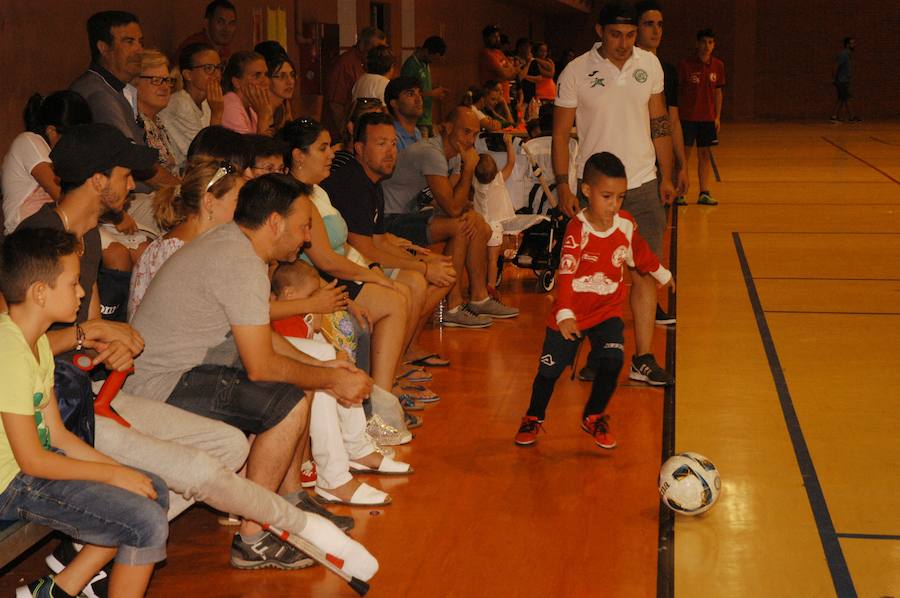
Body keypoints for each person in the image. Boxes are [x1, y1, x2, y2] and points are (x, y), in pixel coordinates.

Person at [0, 228, 169, 598]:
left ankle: (58, 589)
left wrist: (121, 472)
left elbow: (58, 436)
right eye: (74, 282)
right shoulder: (9, 352)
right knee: (143, 520)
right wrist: (111, 474)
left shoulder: (35, 345)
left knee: (152, 489)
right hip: (10, 485)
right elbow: (32, 460)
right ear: (40, 293)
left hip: (31, 471)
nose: (81, 292)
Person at [514, 152, 674, 448]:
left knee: (613, 361)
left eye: (621, 197)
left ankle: (593, 415)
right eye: (607, 196)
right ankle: (533, 417)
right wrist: (563, 314)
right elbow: (566, 273)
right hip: (571, 312)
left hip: (607, 311)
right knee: (549, 373)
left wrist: (661, 272)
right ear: (586, 191)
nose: (614, 206)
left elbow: (639, 251)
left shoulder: (625, 223)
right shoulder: (577, 230)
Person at [553, 1, 676, 386]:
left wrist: (667, 176)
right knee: (596, 277)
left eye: (630, 35)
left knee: (644, 273)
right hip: (596, 192)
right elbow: (560, 133)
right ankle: (601, 353)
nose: (623, 43)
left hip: (642, 183)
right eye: (615, 35)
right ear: (599, 32)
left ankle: (642, 357)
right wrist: (561, 182)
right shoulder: (575, 72)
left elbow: (659, 123)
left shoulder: (649, 65)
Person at [323, 112, 456, 367]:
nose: (390, 151)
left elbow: (379, 238)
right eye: (381, 144)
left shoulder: (373, 181)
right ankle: (394, 367)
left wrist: (416, 254)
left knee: (442, 270)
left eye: (394, 144)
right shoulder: (352, 183)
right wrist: (423, 267)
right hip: (347, 269)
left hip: (362, 259)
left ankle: (405, 351)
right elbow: (365, 250)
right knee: (417, 281)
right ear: (359, 148)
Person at [381, 108, 519, 327]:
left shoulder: (455, 155)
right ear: (447, 128)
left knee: (480, 226)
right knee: (460, 226)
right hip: (390, 219)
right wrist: (469, 170)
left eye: (474, 134)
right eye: (466, 132)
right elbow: (452, 208)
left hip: (416, 214)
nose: (470, 140)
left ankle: (479, 298)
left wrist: (469, 212)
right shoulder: (432, 153)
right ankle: (452, 306)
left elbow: (457, 201)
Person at [70, 11, 178, 192]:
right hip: (113, 201)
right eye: (129, 42)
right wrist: (183, 190)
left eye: (140, 42)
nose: (139, 50)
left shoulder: (116, 89)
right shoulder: (98, 93)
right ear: (103, 48)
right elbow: (133, 159)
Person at [635, 0, 686, 326]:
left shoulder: (666, 70)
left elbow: (673, 121)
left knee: (653, 241)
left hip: (655, 167)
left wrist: (681, 165)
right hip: (625, 164)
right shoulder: (625, 67)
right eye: (649, 23)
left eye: (660, 24)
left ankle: (650, 304)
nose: (656, 30)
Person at [2, 91, 92, 235]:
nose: (78, 145)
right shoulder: (28, 141)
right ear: (51, 131)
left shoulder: (62, 154)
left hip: (56, 228)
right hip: (25, 235)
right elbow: (63, 196)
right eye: (74, 138)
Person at [678, 28, 725, 206]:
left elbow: (718, 93)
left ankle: (704, 193)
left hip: (708, 119)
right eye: (704, 42)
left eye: (710, 42)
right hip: (688, 118)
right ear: (697, 44)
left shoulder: (718, 65)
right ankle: (680, 193)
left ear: (714, 45)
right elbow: (679, 91)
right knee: (684, 156)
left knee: (705, 156)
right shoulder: (685, 65)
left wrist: (717, 117)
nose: (707, 46)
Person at [159, 43, 225, 166]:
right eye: (208, 68)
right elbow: (204, 157)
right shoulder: (178, 105)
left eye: (219, 67)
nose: (217, 75)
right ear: (188, 75)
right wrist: (217, 113)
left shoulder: (207, 103)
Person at [473, 134, 517, 295]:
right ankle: (490, 284)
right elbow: (511, 163)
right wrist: (508, 144)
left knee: (480, 260)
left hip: (479, 225)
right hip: (494, 225)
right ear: (495, 169)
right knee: (492, 260)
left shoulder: (475, 182)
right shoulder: (498, 179)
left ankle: (477, 284)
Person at [323, 27, 387, 137]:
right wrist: (345, 133)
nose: (380, 53)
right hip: (341, 132)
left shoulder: (367, 63)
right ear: (363, 46)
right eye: (377, 48)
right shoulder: (345, 64)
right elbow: (335, 103)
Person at [400, 36, 449, 136]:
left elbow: (422, 88)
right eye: (433, 57)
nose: (433, 61)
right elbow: (407, 94)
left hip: (426, 117)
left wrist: (436, 91)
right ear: (426, 51)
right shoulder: (411, 66)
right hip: (417, 120)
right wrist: (432, 94)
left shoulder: (425, 63)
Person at [221, 50, 273, 135]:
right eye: (257, 75)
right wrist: (263, 116)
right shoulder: (230, 106)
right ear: (236, 82)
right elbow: (253, 147)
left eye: (266, 74)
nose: (266, 82)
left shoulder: (251, 106)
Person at [255, 41, 296, 132]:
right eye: (282, 76)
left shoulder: (283, 107)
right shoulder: (256, 109)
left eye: (292, 75)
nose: (290, 82)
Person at [479, 25, 517, 104]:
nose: (497, 39)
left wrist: (507, 72)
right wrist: (507, 71)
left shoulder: (499, 52)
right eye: (493, 36)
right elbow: (504, 74)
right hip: (493, 100)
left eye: (498, 36)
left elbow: (514, 71)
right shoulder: (486, 54)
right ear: (486, 38)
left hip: (505, 97)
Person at [385, 76, 424, 150]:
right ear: (394, 103)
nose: (419, 100)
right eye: (410, 94)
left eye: (420, 94)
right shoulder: (391, 136)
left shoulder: (417, 132)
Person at [831, 37, 859, 123]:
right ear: (847, 45)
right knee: (847, 98)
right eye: (852, 43)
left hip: (843, 80)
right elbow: (836, 66)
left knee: (841, 99)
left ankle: (834, 117)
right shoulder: (844, 54)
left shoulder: (847, 54)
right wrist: (835, 78)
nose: (854, 45)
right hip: (841, 81)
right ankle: (852, 117)